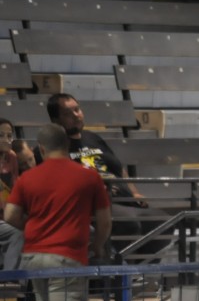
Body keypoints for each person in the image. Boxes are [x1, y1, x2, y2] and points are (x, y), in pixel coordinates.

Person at [3, 124, 111, 301]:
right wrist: (98, 247)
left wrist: (32, 227)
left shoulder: (29, 178)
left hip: (34, 257)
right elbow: (104, 220)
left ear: (40, 148)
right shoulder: (88, 178)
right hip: (67, 258)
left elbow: (11, 214)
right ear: (66, 144)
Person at [38, 93, 170, 264]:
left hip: (123, 199)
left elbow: (119, 168)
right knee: (129, 223)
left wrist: (135, 193)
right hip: (96, 204)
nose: (76, 115)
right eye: (68, 113)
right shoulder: (54, 146)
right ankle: (122, 275)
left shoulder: (93, 138)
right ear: (56, 120)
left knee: (162, 221)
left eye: (77, 110)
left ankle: (143, 272)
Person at [0, 118, 24, 273]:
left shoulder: (12, 157)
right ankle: (10, 282)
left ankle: (22, 286)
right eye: (1, 135)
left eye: (9, 136)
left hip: (7, 214)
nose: (7, 140)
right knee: (17, 235)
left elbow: (15, 187)